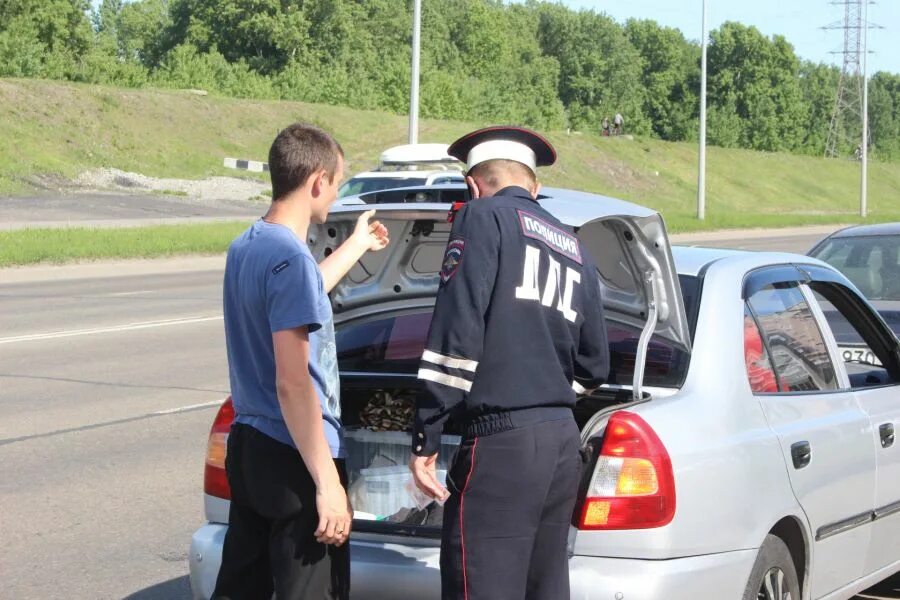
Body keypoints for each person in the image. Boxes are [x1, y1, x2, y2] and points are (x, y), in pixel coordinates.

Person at [409, 126, 610, 599]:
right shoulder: (574, 244)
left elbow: (455, 335)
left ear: (473, 185)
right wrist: (543, 391)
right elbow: (595, 365)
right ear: (535, 187)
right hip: (561, 444)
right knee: (543, 588)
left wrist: (427, 433)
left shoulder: (481, 217)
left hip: (499, 448)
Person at [214, 123, 390, 600]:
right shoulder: (289, 261)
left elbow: (304, 291)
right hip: (294, 453)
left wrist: (355, 245)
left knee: (241, 588)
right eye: (335, 184)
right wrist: (327, 482)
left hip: (249, 446)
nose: (333, 196)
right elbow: (293, 384)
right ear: (317, 181)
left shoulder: (248, 245)